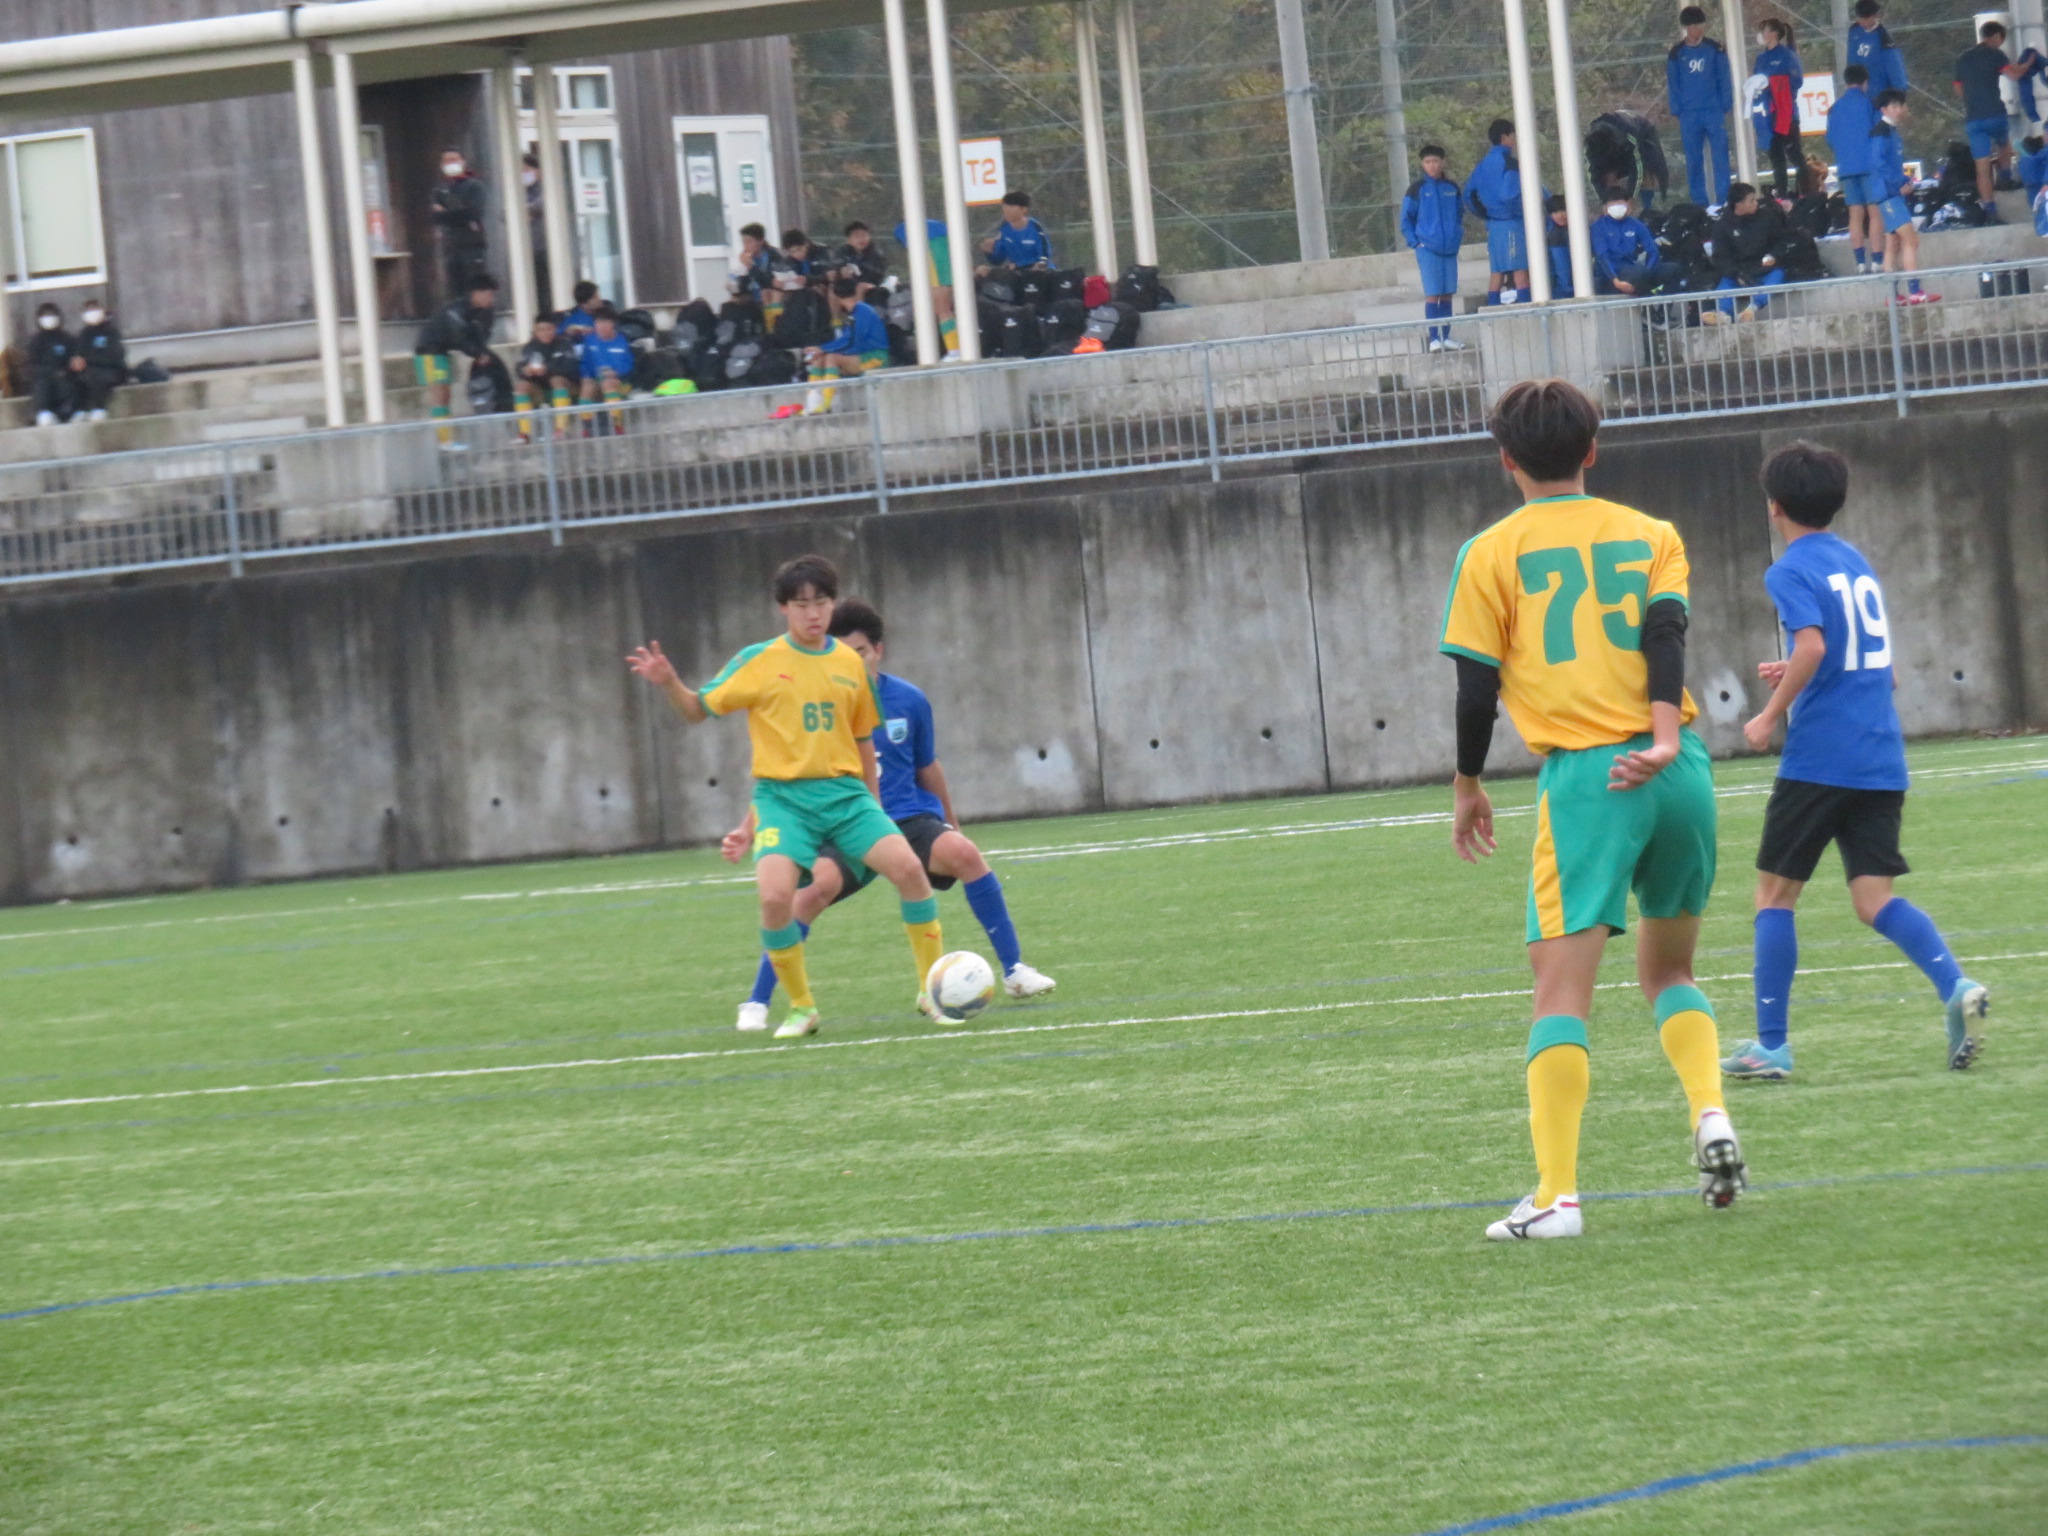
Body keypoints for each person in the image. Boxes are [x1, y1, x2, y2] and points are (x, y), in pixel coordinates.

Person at [1441, 378, 1743, 1241]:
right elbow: (1665, 637)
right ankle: (1710, 1109)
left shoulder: (1488, 553)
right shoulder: (1653, 534)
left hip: (1588, 781)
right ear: (1593, 449)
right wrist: (1662, 738)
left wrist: (1467, 785)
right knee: (1671, 973)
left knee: (1559, 990)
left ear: (1505, 460)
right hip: (1677, 767)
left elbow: (1476, 691)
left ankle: (1557, 1196)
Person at [1723, 442, 1988, 1081]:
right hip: (1880, 756)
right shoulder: (1857, 563)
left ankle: (1772, 1046)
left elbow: (1814, 646)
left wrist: (1769, 713)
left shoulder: (1788, 569)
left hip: (1820, 759)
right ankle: (1956, 986)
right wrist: (1796, 668)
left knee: (1774, 895)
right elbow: (1880, 669)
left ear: (1774, 506)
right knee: (1873, 899)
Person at [625, 555, 949, 1040]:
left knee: (909, 871)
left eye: (821, 602)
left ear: (832, 604)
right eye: (801, 604)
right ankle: (801, 1008)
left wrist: (874, 805)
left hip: (847, 797)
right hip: (783, 801)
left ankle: (930, 990)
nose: (813, 613)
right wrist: (670, 682)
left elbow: (863, 739)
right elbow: (695, 710)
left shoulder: (849, 663)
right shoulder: (759, 660)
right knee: (776, 898)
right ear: (783, 608)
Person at [730, 598, 1057, 1032]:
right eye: (843, 652)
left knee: (965, 854)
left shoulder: (909, 700)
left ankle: (1015, 971)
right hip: (844, 821)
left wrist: (952, 824)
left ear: (878, 651)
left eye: (861, 652)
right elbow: (783, 776)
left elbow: (928, 767)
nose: (853, 661)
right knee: (807, 896)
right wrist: (749, 826)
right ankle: (758, 1000)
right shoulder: (814, 703)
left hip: (905, 819)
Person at [413, 273, 500, 447]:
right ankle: (444, 441)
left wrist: (481, 351)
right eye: (489, 294)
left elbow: (480, 335)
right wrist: (478, 354)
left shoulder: (479, 313)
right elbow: (460, 338)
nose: (491, 299)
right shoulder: (457, 310)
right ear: (476, 293)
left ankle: (446, 439)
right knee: (439, 394)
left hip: (443, 353)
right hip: (430, 352)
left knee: (445, 395)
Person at [1870, 90, 1935, 303]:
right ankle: (1915, 291)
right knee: (1911, 240)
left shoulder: (1891, 131)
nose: (1899, 110)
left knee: (1894, 243)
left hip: (1891, 193)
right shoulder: (1881, 132)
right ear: (1884, 109)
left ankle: (1893, 295)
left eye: (1900, 105)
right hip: (1888, 195)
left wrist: (1904, 181)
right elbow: (1878, 162)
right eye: (1894, 106)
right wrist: (1900, 183)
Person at [1667, 6, 1735, 207]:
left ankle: (1723, 200)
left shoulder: (1715, 49)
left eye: (1701, 24)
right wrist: (1677, 110)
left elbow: (1724, 78)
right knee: (1693, 159)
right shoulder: (1676, 53)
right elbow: (1673, 83)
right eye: (1695, 25)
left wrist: (1725, 105)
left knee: (1720, 156)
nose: (1699, 28)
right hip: (1689, 114)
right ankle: (1700, 203)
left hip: (1713, 111)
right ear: (1687, 27)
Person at [1400, 144, 1466, 351]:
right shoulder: (1416, 189)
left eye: (1435, 161)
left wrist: (1456, 236)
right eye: (1428, 162)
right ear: (1422, 164)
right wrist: (1416, 243)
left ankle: (1446, 336)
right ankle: (1434, 338)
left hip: (1449, 249)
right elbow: (1406, 219)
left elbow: (1459, 214)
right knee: (1433, 293)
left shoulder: (1452, 188)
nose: (1432, 165)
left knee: (1447, 293)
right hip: (1427, 248)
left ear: (1442, 162)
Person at [1465, 119, 1536, 305]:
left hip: (1493, 225)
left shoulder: (1482, 165)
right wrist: (1518, 212)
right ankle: (1526, 311)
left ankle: (1493, 311)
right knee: (1520, 272)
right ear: (1505, 137)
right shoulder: (1510, 163)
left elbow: (1469, 195)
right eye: (1513, 136)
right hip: (1512, 223)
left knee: (1496, 273)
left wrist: (1486, 214)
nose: (1515, 140)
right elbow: (1508, 195)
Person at [1954, 21, 2020, 216]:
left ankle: (1989, 211)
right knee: (2004, 143)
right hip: (1995, 113)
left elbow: (1958, 89)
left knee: (1982, 168)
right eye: (2001, 39)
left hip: (1973, 119)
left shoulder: (1963, 58)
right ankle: (2005, 178)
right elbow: (2013, 75)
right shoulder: (1996, 54)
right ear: (1996, 36)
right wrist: (2027, 65)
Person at [1705, 183, 1790, 322]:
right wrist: (1737, 274)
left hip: (1765, 268)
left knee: (1777, 277)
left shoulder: (1767, 217)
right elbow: (1720, 257)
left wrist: (1773, 255)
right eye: (1751, 200)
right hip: (1738, 272)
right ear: (1739, 204)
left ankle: (1752, 308)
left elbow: (1781, 241)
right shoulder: (1722, 226)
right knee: (1725, 285)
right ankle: (1723, 314)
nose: (1756, 203)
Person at [1827, 65, 1880, 274]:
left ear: (1846, 82)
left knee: (1855, 214)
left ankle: (1859, 262)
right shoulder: (1870, 104)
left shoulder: (1835, 108)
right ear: (1865, 82)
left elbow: (1830, 139)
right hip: (1869, 166)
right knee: (1875, 213)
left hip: (1847, 167)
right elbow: (1879, 135)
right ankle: (1877, 260)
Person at [893, 214, 961, 357]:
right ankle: (953, 349)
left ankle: (955, 351)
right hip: (946, 251)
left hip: (934, 255)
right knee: (943, 308)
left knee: (942, 308)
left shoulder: (902, 230)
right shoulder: (935, 226)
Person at [1753, 19, 1804, 200]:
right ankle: (1782, 194)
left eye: (1765, 30)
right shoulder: (1761, 58)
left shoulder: (1788, 55)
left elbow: (1797, 81)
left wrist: (1776, 84)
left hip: (1786, 112)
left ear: (1774, 34)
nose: (1762, 35)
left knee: (1794, 153)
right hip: (1768, 113)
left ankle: (1805, 191)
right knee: (1775, 155)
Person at [430, 146, 489, 299]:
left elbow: (471, 213)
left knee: (474, 288)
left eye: (454, 160)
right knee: (455, 291)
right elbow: (436, 216)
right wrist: (453, 211)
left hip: (472, 246)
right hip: (451, 247)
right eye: (446, 161)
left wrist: (447, 211)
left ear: (463, 162)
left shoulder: (474, 186)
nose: (450, 164)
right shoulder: (441, 189)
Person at [513, 312, 579, 440]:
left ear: (554, 329)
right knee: (521, 387)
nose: (545, 333)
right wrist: (526, 370)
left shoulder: (564, 344)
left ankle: (561, 429)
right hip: (540, 389)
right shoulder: (530, 347)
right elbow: (519, 367)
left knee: (557, 380)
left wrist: (547, 369)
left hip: (568, 388)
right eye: (541, 330)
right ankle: (525, 433)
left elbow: (571, 367)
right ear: (535, 331)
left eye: (548, 329)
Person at [808, 276, 890, 377]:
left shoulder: (863, 311)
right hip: (861, 354)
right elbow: (847, 339)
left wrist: (823, 349)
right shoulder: (853, 313)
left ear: (837, 297)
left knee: (832, 358)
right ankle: (817, 387)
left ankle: (830, 387)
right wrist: (820, 350)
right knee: (819, 359)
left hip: (876, 356)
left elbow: (852, 341)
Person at [577, 303, 636, 434]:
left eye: (605, 322)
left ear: (613, 323)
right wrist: (586, 376)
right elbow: (585, 363)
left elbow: (629, 365)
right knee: (587, 387)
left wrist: (616, 373)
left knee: (608, 383)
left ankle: (616, 424)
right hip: (597, 380)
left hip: (620, 382)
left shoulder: (622, 341)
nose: (601, 326)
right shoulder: (590, 340)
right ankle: (587, 426)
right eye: (598, 322)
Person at [1591, 197, 1660, 295]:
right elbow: (1602, 256)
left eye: (1620, 203)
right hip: (1610, 274)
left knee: (1672, 270)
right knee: (1640, 273)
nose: (1617, 207)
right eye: (1613, 204)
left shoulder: (1635, 224)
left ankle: (1655, 297)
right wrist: (1615, 281)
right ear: (1605, 207)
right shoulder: (1598, 226)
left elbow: (1653, 251)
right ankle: (1645, 294)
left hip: (1632, 267)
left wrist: (1648, 271)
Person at [74, 298, 128, 423]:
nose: (92, 313)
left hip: (112, 370)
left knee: (96, 376)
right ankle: (81, 410)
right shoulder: (84, 334)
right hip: (90, 371)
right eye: (89, 310)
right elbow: (79, 354)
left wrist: (89, 361)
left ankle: (100, 409)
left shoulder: (111, 332)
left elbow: (115, 355)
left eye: (95, 309)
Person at [26, 302, 80, 425]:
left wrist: (67, 370)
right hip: (44, 379)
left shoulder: (67, 339)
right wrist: (51, 372)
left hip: (66, 378)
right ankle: (45, 413)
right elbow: (32, 366)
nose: (49, 318)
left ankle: (70, 412)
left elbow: (75, 360)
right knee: (42, 386)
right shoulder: (35, 342)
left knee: (70, 385)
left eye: (51, 315)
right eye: (45, 315)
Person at [981, 190, 1054, 271]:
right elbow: (998, 260)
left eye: (1011, 206)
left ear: (1024, 209)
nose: (1006, 210)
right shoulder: (1004, 229)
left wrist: (1031, 267)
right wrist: (988, 251)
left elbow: (1044, 257)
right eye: (1004, 206)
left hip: (1039, 273)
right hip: (1017, 273)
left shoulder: (1036, 228)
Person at [1845, 1, 1907, 96]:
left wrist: (1899, 95)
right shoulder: (1854, 31)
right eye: (1859, 17)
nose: (1861, 21)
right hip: (1858, 93)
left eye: (1865, 17)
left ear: (1875, 16)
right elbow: (1851, 60)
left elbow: (1896, 71)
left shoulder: (1884, 39)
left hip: (1878, 95)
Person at [832, 221, 890, 300]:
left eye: (864, 235)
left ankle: (859, 308)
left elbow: (878, 274)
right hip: (850, 283)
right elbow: (836, 264)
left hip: (874, 284)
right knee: (832, 287)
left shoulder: (876, 252)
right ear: (849, 240)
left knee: (860, 287)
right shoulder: (843, 251)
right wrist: (840, 271)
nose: (861, 239)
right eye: (857, 236)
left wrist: (857, 270)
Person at [522, 152, 551, 310]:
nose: (523, 174)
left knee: (545, 290)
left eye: (526, 170)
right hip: (525, 250)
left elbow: (542, 205)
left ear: (537, 170)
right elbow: (505, 213)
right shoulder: (519, 191)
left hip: (543, 248)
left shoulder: (546, 188)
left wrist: (527, 210)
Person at [1543, 194, 1574, 300]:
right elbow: (1562, 268)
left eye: (1563, 211)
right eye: (1555, 212)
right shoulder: (1554, 234)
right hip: (1562, 291)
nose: (1560, 216)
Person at [558, 280, 602, 344]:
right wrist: (568, 332)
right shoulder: (569, 317)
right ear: (585, 302)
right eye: (595, 297)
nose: (599, 299)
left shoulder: (605, 314)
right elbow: (557, 334)